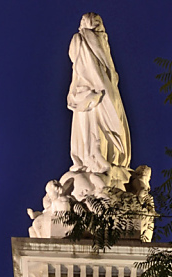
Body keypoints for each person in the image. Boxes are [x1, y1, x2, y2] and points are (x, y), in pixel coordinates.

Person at [66, 14, 131, 192]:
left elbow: (109, 71)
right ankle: (95, 160)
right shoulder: (81, 40)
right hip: (90, 92)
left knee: (101, 125)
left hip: (97, 92)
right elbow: (81, 65)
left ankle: (99, 160)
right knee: (95, 125)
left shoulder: (91, 41)